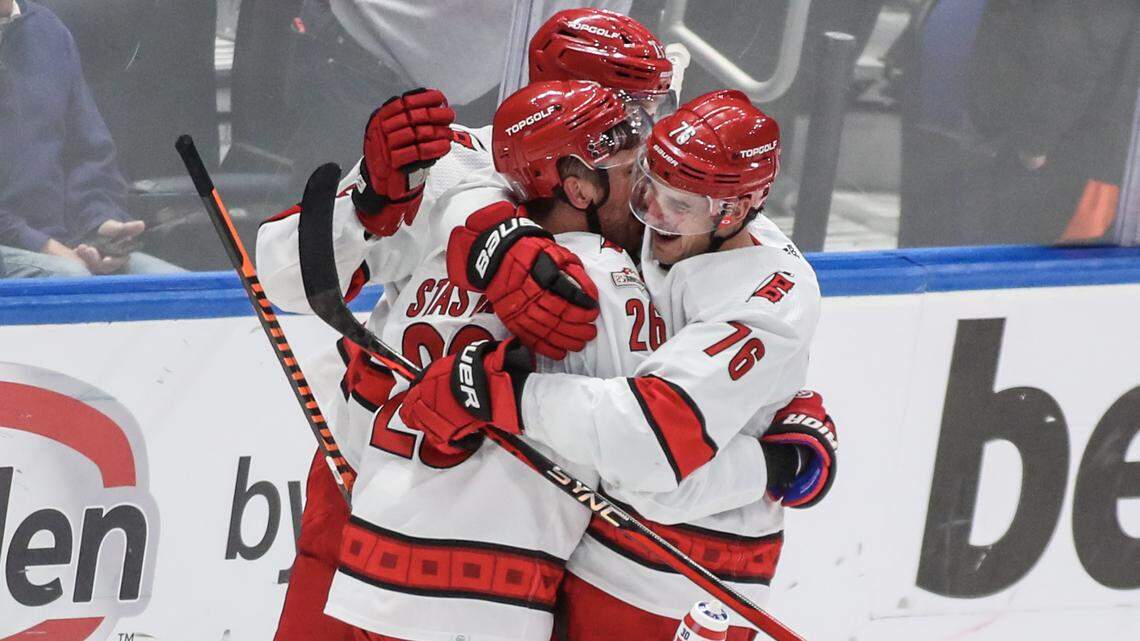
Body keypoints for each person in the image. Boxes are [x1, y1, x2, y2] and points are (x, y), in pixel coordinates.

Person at [256, 10, 674, 641]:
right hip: (359, 490)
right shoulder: (447, 163)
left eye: (655, 106)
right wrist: (372, 197)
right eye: (635, 114)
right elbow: (285, 275)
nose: (654, 133)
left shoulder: (658, 205)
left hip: (519, 541)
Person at [401, 90, 835, 640]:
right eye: (648, 186)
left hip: (691, 580)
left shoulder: (769, 302)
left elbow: (650, 451)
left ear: (735, 210)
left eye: (679, 205)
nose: (652, 217)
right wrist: (490, 229)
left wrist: (503, 397)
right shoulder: (676, 229)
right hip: (592, 552)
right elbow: (492, 160)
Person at [0, 0, 182, 277]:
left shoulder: (49, 32)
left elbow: (89, 153)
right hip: (18, 245)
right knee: (72, 279)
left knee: (182, 288)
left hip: (65, 242)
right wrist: (45, 246)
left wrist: (99, 224)